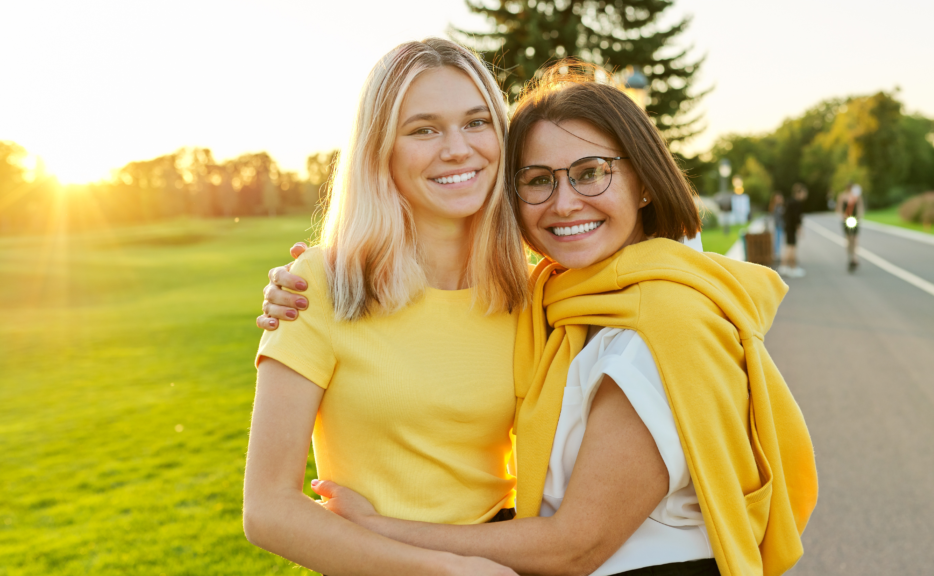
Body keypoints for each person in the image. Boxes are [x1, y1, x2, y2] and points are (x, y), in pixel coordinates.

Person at [263, 67, 817, 576]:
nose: (565, 203)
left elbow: (575, 544)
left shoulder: (658, 321)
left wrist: (384, 530)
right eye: (537, 180)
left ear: (646, 181)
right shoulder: (549, 300)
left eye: (591, 173)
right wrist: (321, 277)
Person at [243, 38, 528, 575]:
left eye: (477, 122)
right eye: (423, 130)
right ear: (380, 150)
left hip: (506, 557)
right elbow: (267, 510)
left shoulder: (529, 293)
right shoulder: (320, 285)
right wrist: (448, 571)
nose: (458, 149)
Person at [778, 184, 807, 278]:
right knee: (792, 248)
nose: (805, 195)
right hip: (791, 228)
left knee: (789, 247)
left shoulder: (789, 202)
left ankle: (786, 266)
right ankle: (791, 267)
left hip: (788, 227)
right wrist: (799, 229)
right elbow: (796, 218)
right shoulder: (796, 203)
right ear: (799, 193)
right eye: (803, 193)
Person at [836, 183, 864, 272]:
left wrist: (859, 216)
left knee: (855, 238)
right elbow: (839, 207)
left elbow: (860, 206)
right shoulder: (842, 196)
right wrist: (842, 215)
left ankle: (855, 257)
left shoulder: (856, 196)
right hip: (846, 220)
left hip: (854, 219)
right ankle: (850, 255)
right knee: (849, 238)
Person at [768, 192, 785, 262]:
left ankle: (779, 254)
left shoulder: (782, 207)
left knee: (781, 241)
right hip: (777, 226)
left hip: (781, 226)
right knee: (776, 241)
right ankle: (776, 255)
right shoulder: (775, 207)